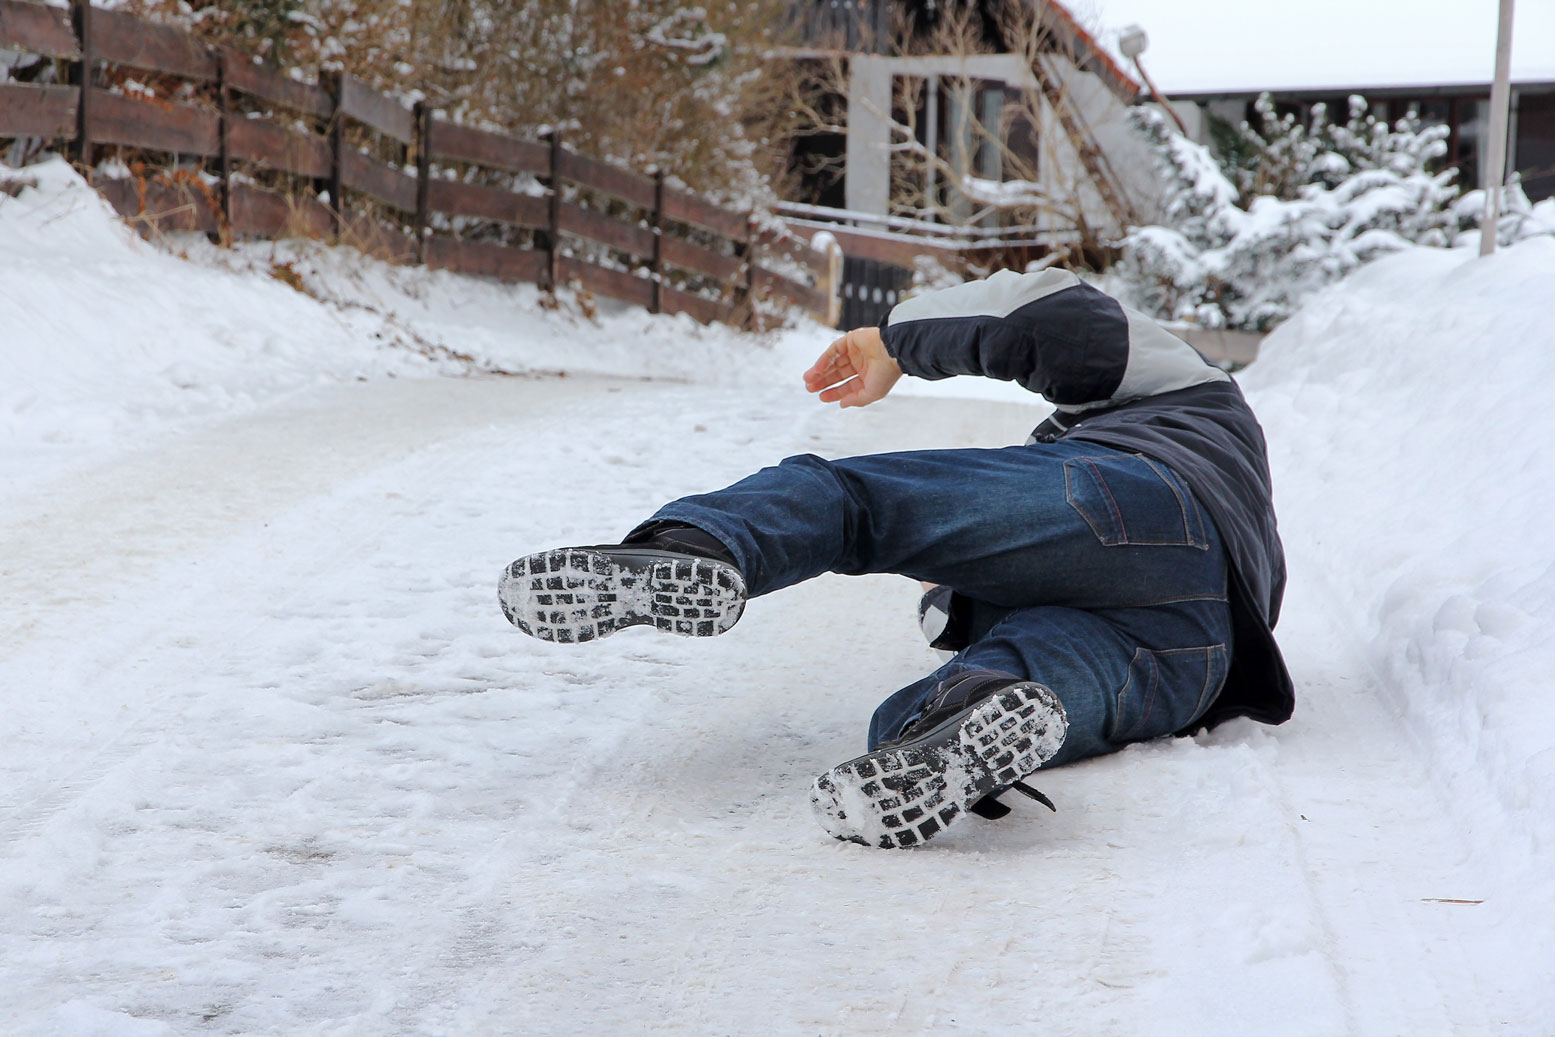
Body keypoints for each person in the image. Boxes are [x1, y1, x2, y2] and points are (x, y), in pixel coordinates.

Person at [498, 267, 1293, 849]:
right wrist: (957, 584)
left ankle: (699, 544)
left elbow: (1057, 316)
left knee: (855, 504)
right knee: (1005, 673)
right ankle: (952, 727)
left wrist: (891, 342)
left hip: (1147, 501)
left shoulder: (1188, 395)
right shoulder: (1248, 521)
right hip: (1203, 652)